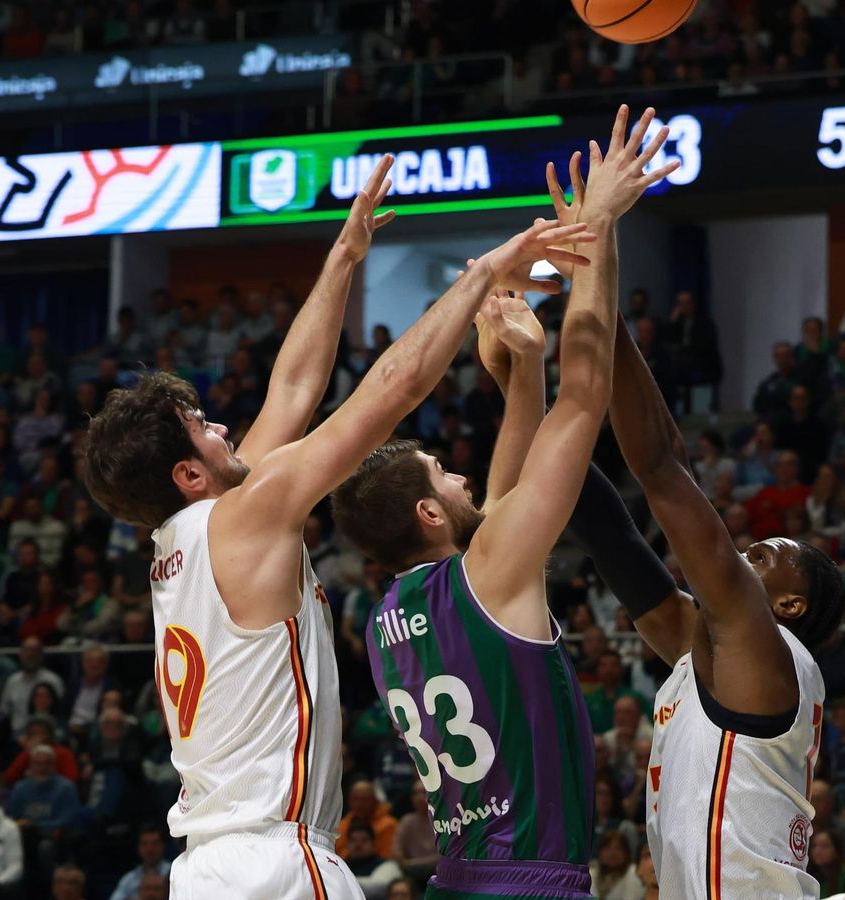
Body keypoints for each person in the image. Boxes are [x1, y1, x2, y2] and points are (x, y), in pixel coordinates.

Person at [80, 151, 591, 898]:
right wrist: (486, 269)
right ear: (188, 476)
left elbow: (292, 387)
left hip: (209, 868)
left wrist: (345, 255)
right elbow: (393, 387)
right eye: (203, 428)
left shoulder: (189, 537)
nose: (224, 426)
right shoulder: (242, 519)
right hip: (273, 862)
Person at [328, 109, 672, 899]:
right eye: (442, 473)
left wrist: (520, 369)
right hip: (530, 879)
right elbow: (586, 400)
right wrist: (598, 235)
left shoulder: (387, 618)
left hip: (457, 877)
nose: (460, 478)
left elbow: (504, 501)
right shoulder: (486, 571)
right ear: (426, 515)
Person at [596, 140, 845, 900]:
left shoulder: (764, 650)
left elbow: (661, 467)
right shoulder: (703, 651)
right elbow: (611, 534)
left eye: (766, 557)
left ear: (789, 606)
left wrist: (599, 269)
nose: (745, 553)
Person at [109, 824, 170, 900]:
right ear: (138, 847)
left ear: (163, 846)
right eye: (144, 844)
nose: (149, 849)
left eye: (154, 843)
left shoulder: (175, 872)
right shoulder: (129, 879)